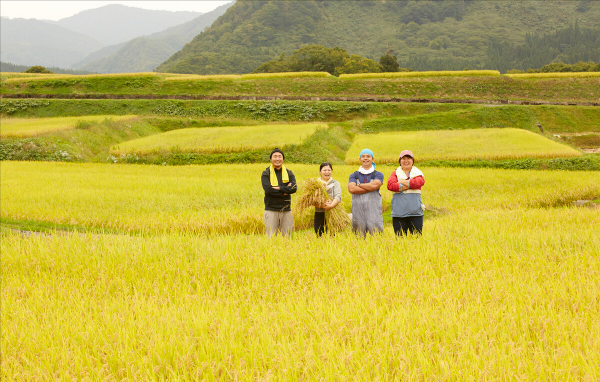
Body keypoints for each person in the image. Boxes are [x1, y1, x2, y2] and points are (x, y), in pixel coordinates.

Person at [387, 150, 425, 236]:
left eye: (408, 158)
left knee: (417, 240)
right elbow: (390, 185)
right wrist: (409, 184)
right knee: (400, 241)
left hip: (415, 213)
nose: (406, 161)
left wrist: (401, 182)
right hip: (398, 213)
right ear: (400, 161)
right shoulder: (395, 173)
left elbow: (419, 182)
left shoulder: (418, 173)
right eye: (403, 158)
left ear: (412, 160)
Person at [261, 148, 297, 237]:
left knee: (287, 237)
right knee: (271, 238)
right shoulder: (266, 174)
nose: (278, 159)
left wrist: (278, 188)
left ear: (283, 159)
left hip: (286, 210)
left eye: (280, 156)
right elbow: (268, 190)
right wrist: (285, 191)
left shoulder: (289, 173)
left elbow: (293, 188)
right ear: (271, 159)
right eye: (275, 156)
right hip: (271, 210)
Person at [348, 149, 384, 236]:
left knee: (376, 237)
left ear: (373, 159)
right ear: (360, 159)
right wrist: (370, 187)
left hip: (374, 213)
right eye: (363, 156)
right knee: (358, 239)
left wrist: (359, 185)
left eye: (368, 156)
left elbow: (375, 186)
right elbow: (352, 189)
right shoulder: (354, 175)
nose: (365, 158)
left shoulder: (378, 174)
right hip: (358, 214)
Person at [314, 162, 342, 237]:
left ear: (332, 171)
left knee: (333, 236)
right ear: (320, 172)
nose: (327, 172)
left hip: (333, 213)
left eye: (329, 170)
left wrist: (331, 205)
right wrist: (322, 205)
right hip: (319, 213)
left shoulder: (335, 183)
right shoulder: (315, 184)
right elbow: (311, 199)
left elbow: (338, 196)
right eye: (324, 170)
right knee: (319, 236)